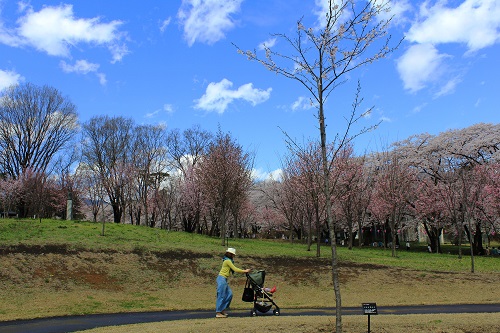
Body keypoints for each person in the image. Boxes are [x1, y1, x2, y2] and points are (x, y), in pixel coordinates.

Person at [216, 247, 251, 318]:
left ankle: (222, 309)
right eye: (233, 255)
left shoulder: (228, 260)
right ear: (230, 254)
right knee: (221, 295)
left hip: (224, 279)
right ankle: (218, 312)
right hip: (221, 278)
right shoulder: (227, 261)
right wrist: (245, 271)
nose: (234, 256)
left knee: (229, 294)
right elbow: (235, 269)